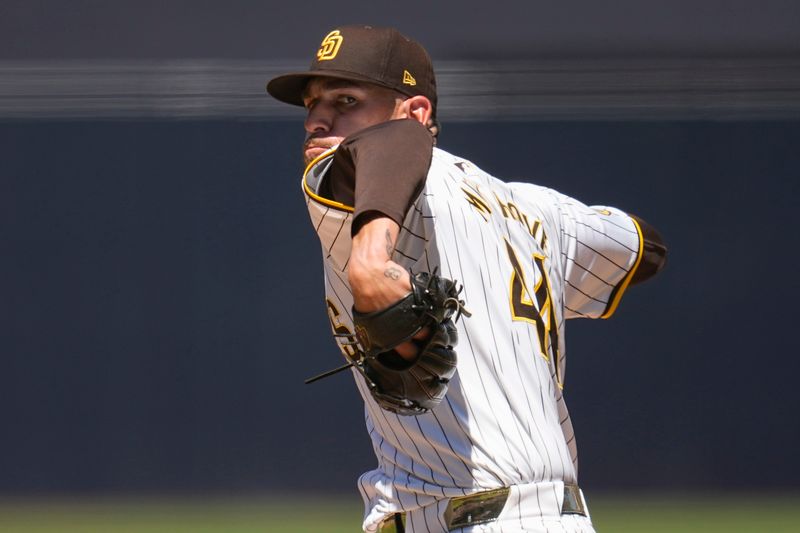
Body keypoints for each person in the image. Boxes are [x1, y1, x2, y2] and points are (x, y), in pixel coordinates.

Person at [267, 25, 666, 533]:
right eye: (312, 105)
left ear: (417, 113)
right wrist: (529, 244)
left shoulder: (352, 182)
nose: (318, 121)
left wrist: (370, 260)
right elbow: (645, 249)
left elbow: (396, 141)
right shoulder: (533, 209)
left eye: (346, 100)